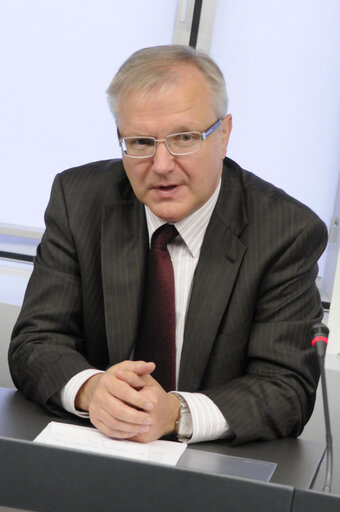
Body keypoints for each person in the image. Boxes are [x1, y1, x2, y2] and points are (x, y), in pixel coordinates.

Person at [9, 45, 328, 446]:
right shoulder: (79, 201)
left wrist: (175, 412)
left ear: (224, 133)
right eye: (141, 142)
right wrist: (93, 390)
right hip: (92, 456)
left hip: (212, 479)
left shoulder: (286, 232)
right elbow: (35, 342)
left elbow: (287, 389)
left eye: (184, 138)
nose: (161, 164)